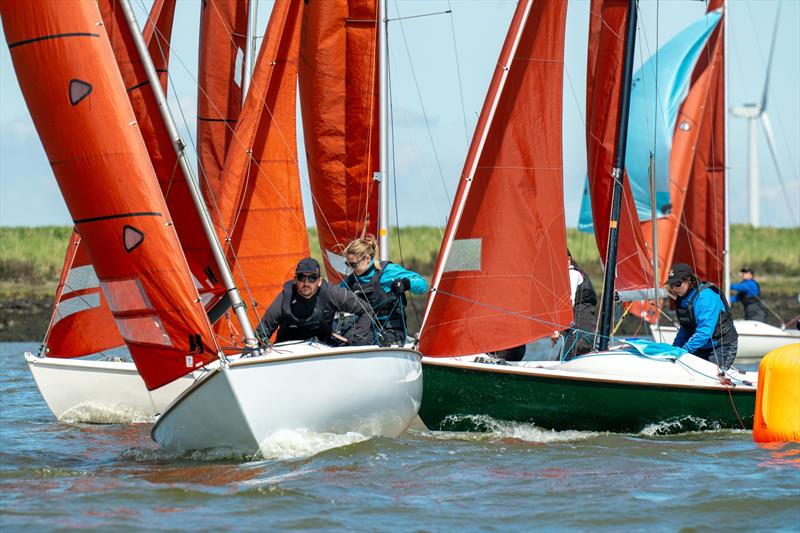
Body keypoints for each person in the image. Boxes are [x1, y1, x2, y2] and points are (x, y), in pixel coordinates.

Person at [257, 258, 373, 345]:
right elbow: (262, 331)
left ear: (319, 281)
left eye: (312, 278)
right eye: (301, 277)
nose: (306, 283)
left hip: (322, 348)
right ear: (295, 279)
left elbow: (366, 310)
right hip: (289, 351)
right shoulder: (285, 297)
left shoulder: (331, 293)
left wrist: (358, 341)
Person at [341, 236, 429, 346]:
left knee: (359, 341)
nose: (351, 268)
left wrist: (406, 284)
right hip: (364, 330)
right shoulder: (350, 281)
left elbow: (423, 285)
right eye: (347, 264)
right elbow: (333, 296)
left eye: (353, 264)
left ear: (367, 259)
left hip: (392, 332)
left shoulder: (387, 271)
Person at [665, 262, 738, 370]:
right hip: (701, 345)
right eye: (671, 285)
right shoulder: (682, 298)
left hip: (721, 345)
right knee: (680, 368)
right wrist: (675, 349)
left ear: (689, 280)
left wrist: (684, 350)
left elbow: (705, 332)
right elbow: (685, 328)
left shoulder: (704, 297)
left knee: (710, 376)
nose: (674, 289)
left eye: (677, 284)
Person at [551, 249, 598, 358]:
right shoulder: (575, 274)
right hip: (585, 334)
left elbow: (568, 302)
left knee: (560, 364)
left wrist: (555, 330)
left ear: (568, 259)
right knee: (562, 363)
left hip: (581, 335)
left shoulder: (572, 273)